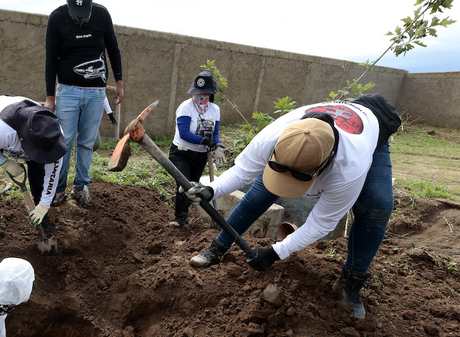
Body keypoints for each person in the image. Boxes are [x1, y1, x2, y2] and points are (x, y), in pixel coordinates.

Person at [186, 94, 401, 319]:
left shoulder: (349, 166)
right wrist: (210, 189)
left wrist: (275, 252)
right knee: (259, 192)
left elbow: (321, 224)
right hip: (325, 128)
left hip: (370, 131)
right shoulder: (273, 136)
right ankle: (217, 248)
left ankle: (350, 283)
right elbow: (241, 172)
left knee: (377, 207)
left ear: (330, 159)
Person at [45, 0, 124, 207]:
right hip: (67, 91)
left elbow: (113, 50)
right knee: (64, 141)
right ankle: (59, 189)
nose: (79, 16)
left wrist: (119, 83)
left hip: (95, 93)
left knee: (87, 142)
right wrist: (50, 96)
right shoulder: (57, 17)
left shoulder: (102, 14)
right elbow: (51, 58)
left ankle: (80, 188)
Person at [0, 95, 66, 251]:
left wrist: (44, 205)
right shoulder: (3, 131)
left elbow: (52, 174)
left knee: (39, 170)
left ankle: (42, 218)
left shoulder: (53, 137)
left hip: (27, 121)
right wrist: (6, 163)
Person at [168, 70, 227, 228]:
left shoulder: (215, 110)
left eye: (205, 93)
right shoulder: (186, 107)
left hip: (201, 156)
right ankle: (180, 219)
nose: (201, 96)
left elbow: (215, 133)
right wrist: (205, 141)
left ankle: (189, 216)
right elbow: (184, 133)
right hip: (181, 152)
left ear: (210, 94)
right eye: (198, 93)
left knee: (193, 186)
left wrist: (218, 146)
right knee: (184, 184)